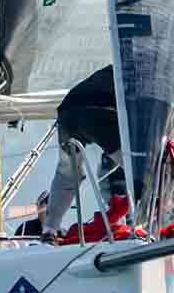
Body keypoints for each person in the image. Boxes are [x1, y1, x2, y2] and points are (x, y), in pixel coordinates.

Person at [44, 65, 126, 242]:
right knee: (140, 168)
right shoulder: (151, 73)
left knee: (68, 174)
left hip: (67, 113)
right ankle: (138, 226)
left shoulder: (121, 65)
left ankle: (50, 230)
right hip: (99, 112)